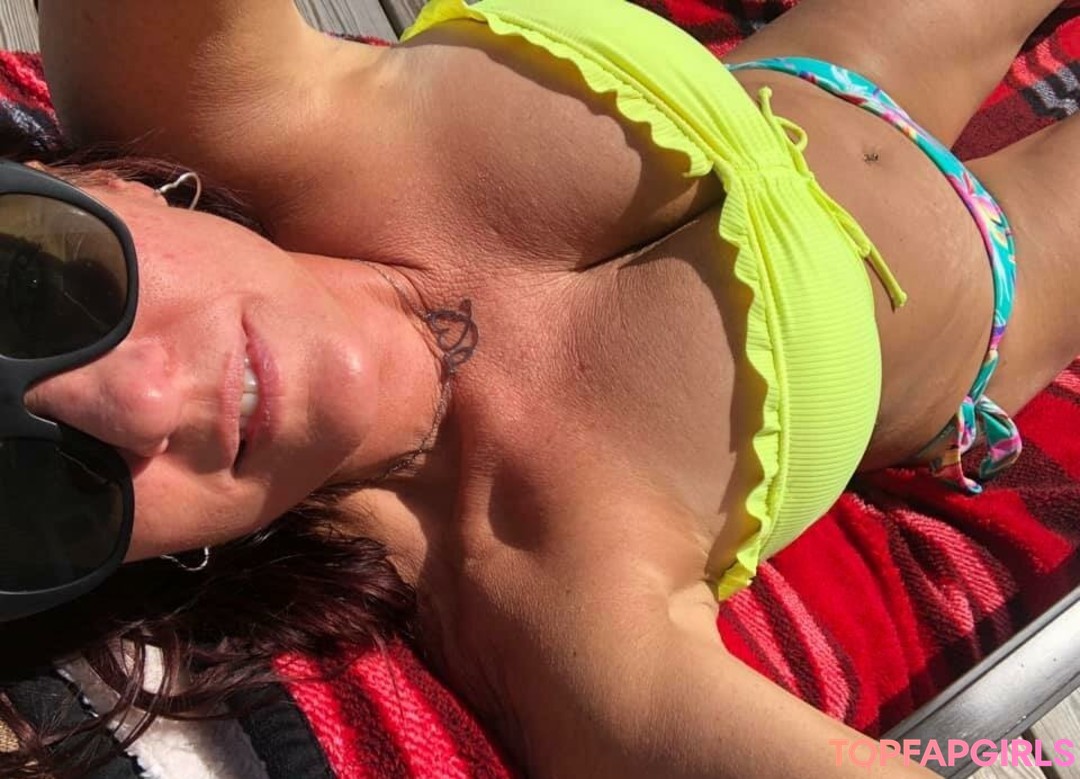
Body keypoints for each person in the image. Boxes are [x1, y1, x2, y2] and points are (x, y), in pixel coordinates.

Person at [3, 0, 1078, 776]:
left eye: (29, 298)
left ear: (90, 178)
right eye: (28, 491)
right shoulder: (538, 594)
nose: (143, 404)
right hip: (993, 282)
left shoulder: (199, 109)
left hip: (811, 67)